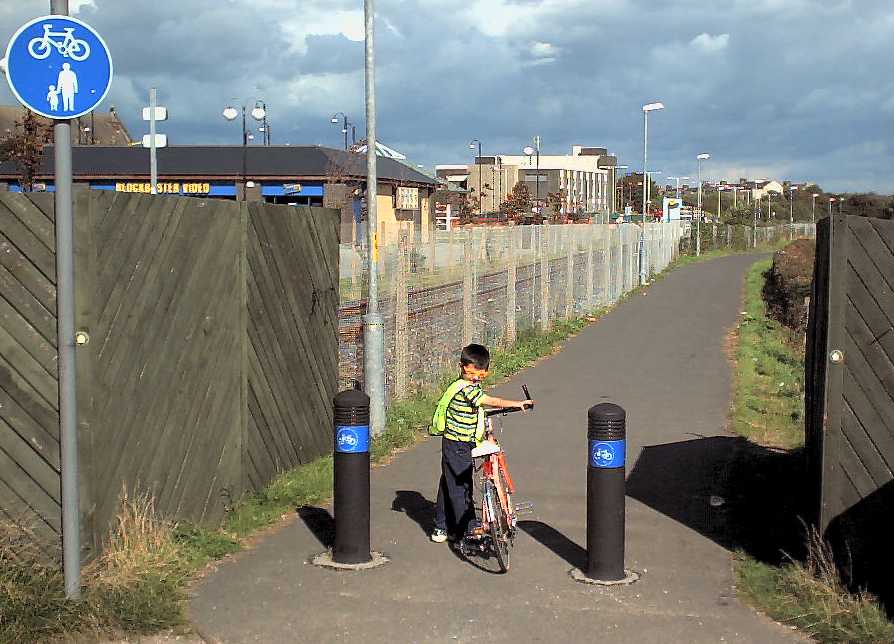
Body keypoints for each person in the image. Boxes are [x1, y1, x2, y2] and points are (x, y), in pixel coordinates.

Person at [431, 343, 533, 543]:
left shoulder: (471, 384)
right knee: (461, 485)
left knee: (450, 482)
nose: (476, 378)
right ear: (462, 367)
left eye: (481, 375)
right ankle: (467, 527)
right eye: (471, 373)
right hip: (457, 443)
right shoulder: (465, 388)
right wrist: (517, 404)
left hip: (462, 442)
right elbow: (488, 401)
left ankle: (441, 526)